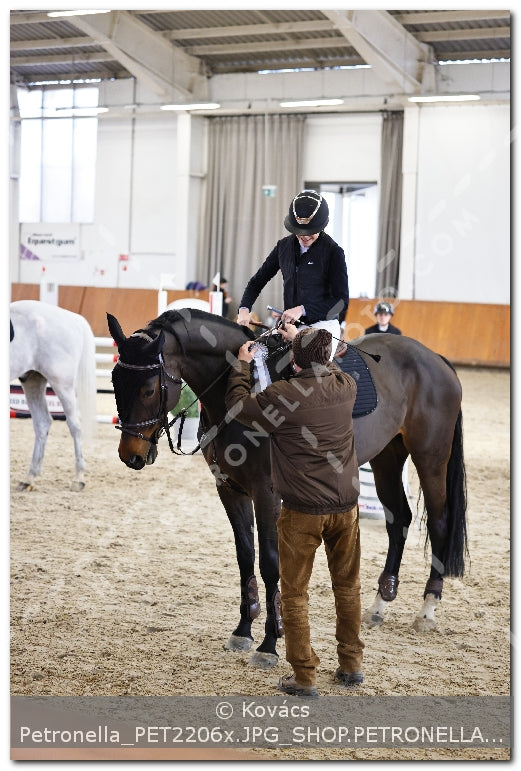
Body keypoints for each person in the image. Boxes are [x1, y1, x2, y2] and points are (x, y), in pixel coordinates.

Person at [225, 325, 364, 699]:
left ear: (296, 361)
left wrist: (242, 365)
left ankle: (304, 676)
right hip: (347, 507)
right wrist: (303, 342)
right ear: (329, 357)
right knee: (347, 586)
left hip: (303, 511)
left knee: (295, 594)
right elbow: (330, 366)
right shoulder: (346, 386)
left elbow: (239, 404)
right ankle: (351, 664)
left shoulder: (283, 395)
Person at [236, 190, 349, 373]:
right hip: (289, 325)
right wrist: (244, 309)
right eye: (299, 232)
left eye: (310, 232)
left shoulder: (334, 252)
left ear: (321, 226)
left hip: (321, 326)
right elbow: (257, 281)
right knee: (258, 361)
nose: (304, 236)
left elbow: (341, 302)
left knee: (305, 371)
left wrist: (302, 309)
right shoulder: (283, 247)